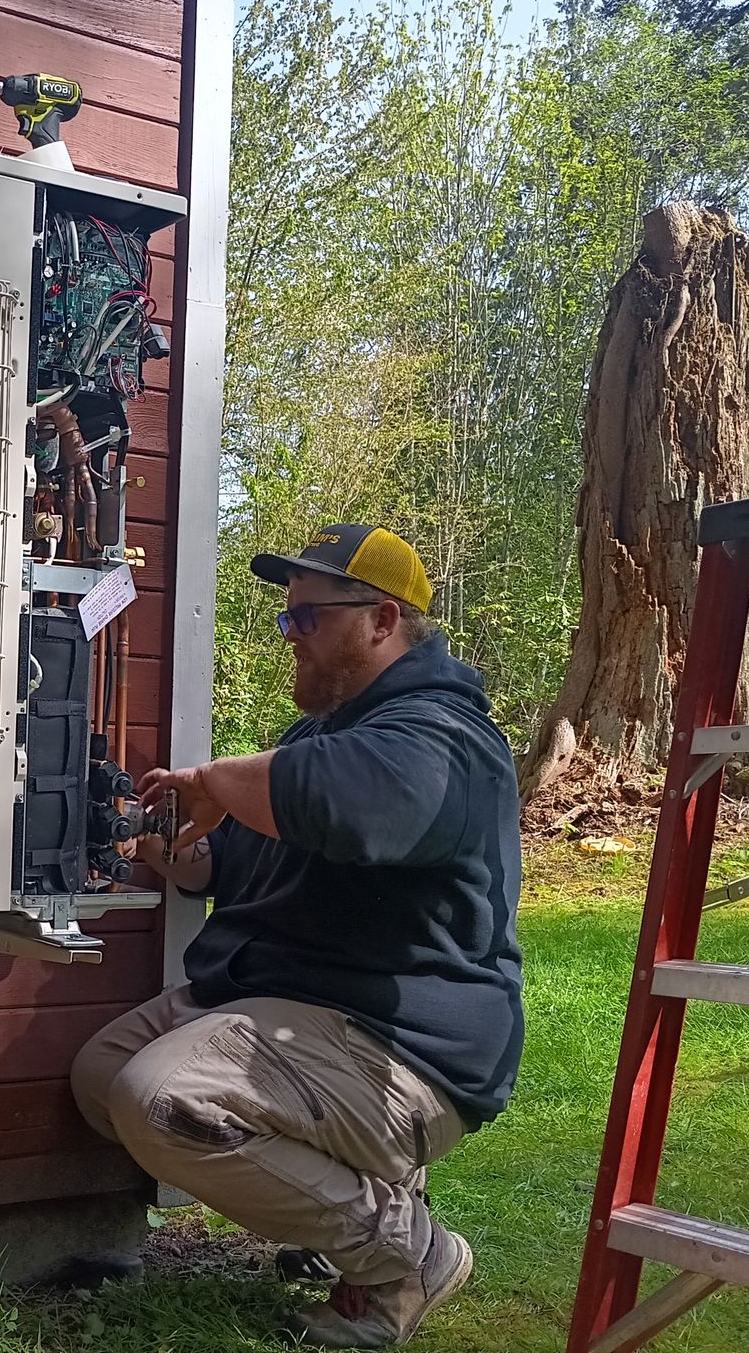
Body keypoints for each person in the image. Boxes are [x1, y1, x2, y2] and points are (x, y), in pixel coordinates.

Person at [71, 523, 524, 1349]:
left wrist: (216, 778)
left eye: (308, 619)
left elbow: (351, 805)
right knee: (104, 1077)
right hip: (291, 1010)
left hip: (398, 1047)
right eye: (289, 619)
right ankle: (346, 1220)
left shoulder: (444, 736)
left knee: (165, 1097)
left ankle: (408, 1253)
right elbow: (231, 865)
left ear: (383, 621)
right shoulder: (323, 739)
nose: (291, 636)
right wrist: (171, 840)